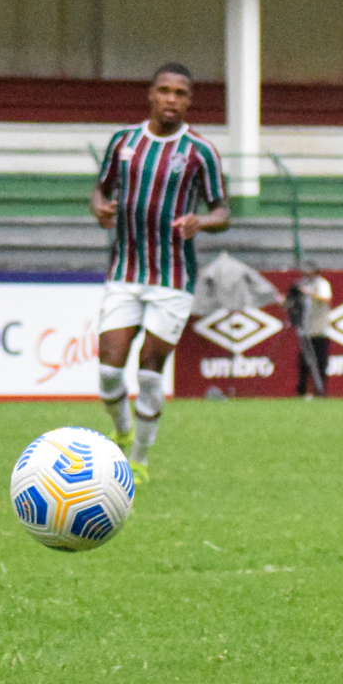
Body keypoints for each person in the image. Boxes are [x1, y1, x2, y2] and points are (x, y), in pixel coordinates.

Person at [91, 62, 229, 480]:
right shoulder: (124, 141)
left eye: (180, 93)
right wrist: (99, 207)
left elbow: (222, 210)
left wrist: (200, 221)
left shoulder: (200, 151)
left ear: (189, 101)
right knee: (109, 370)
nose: (171, 99)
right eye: (165, 90)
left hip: (173, 278)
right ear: (151, 94)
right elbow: (101, 188)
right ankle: (122, 429)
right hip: (125, 271)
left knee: (150, 372)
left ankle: (140, 461)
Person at [291, 260, 332, 398]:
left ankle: (320, 390)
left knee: (320, 361)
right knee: (304, 361)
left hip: (319, 328)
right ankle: (302, 390)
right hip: (305, 328)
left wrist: (310, 293)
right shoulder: (300, 283)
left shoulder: (322, 284)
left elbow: (326, 299)